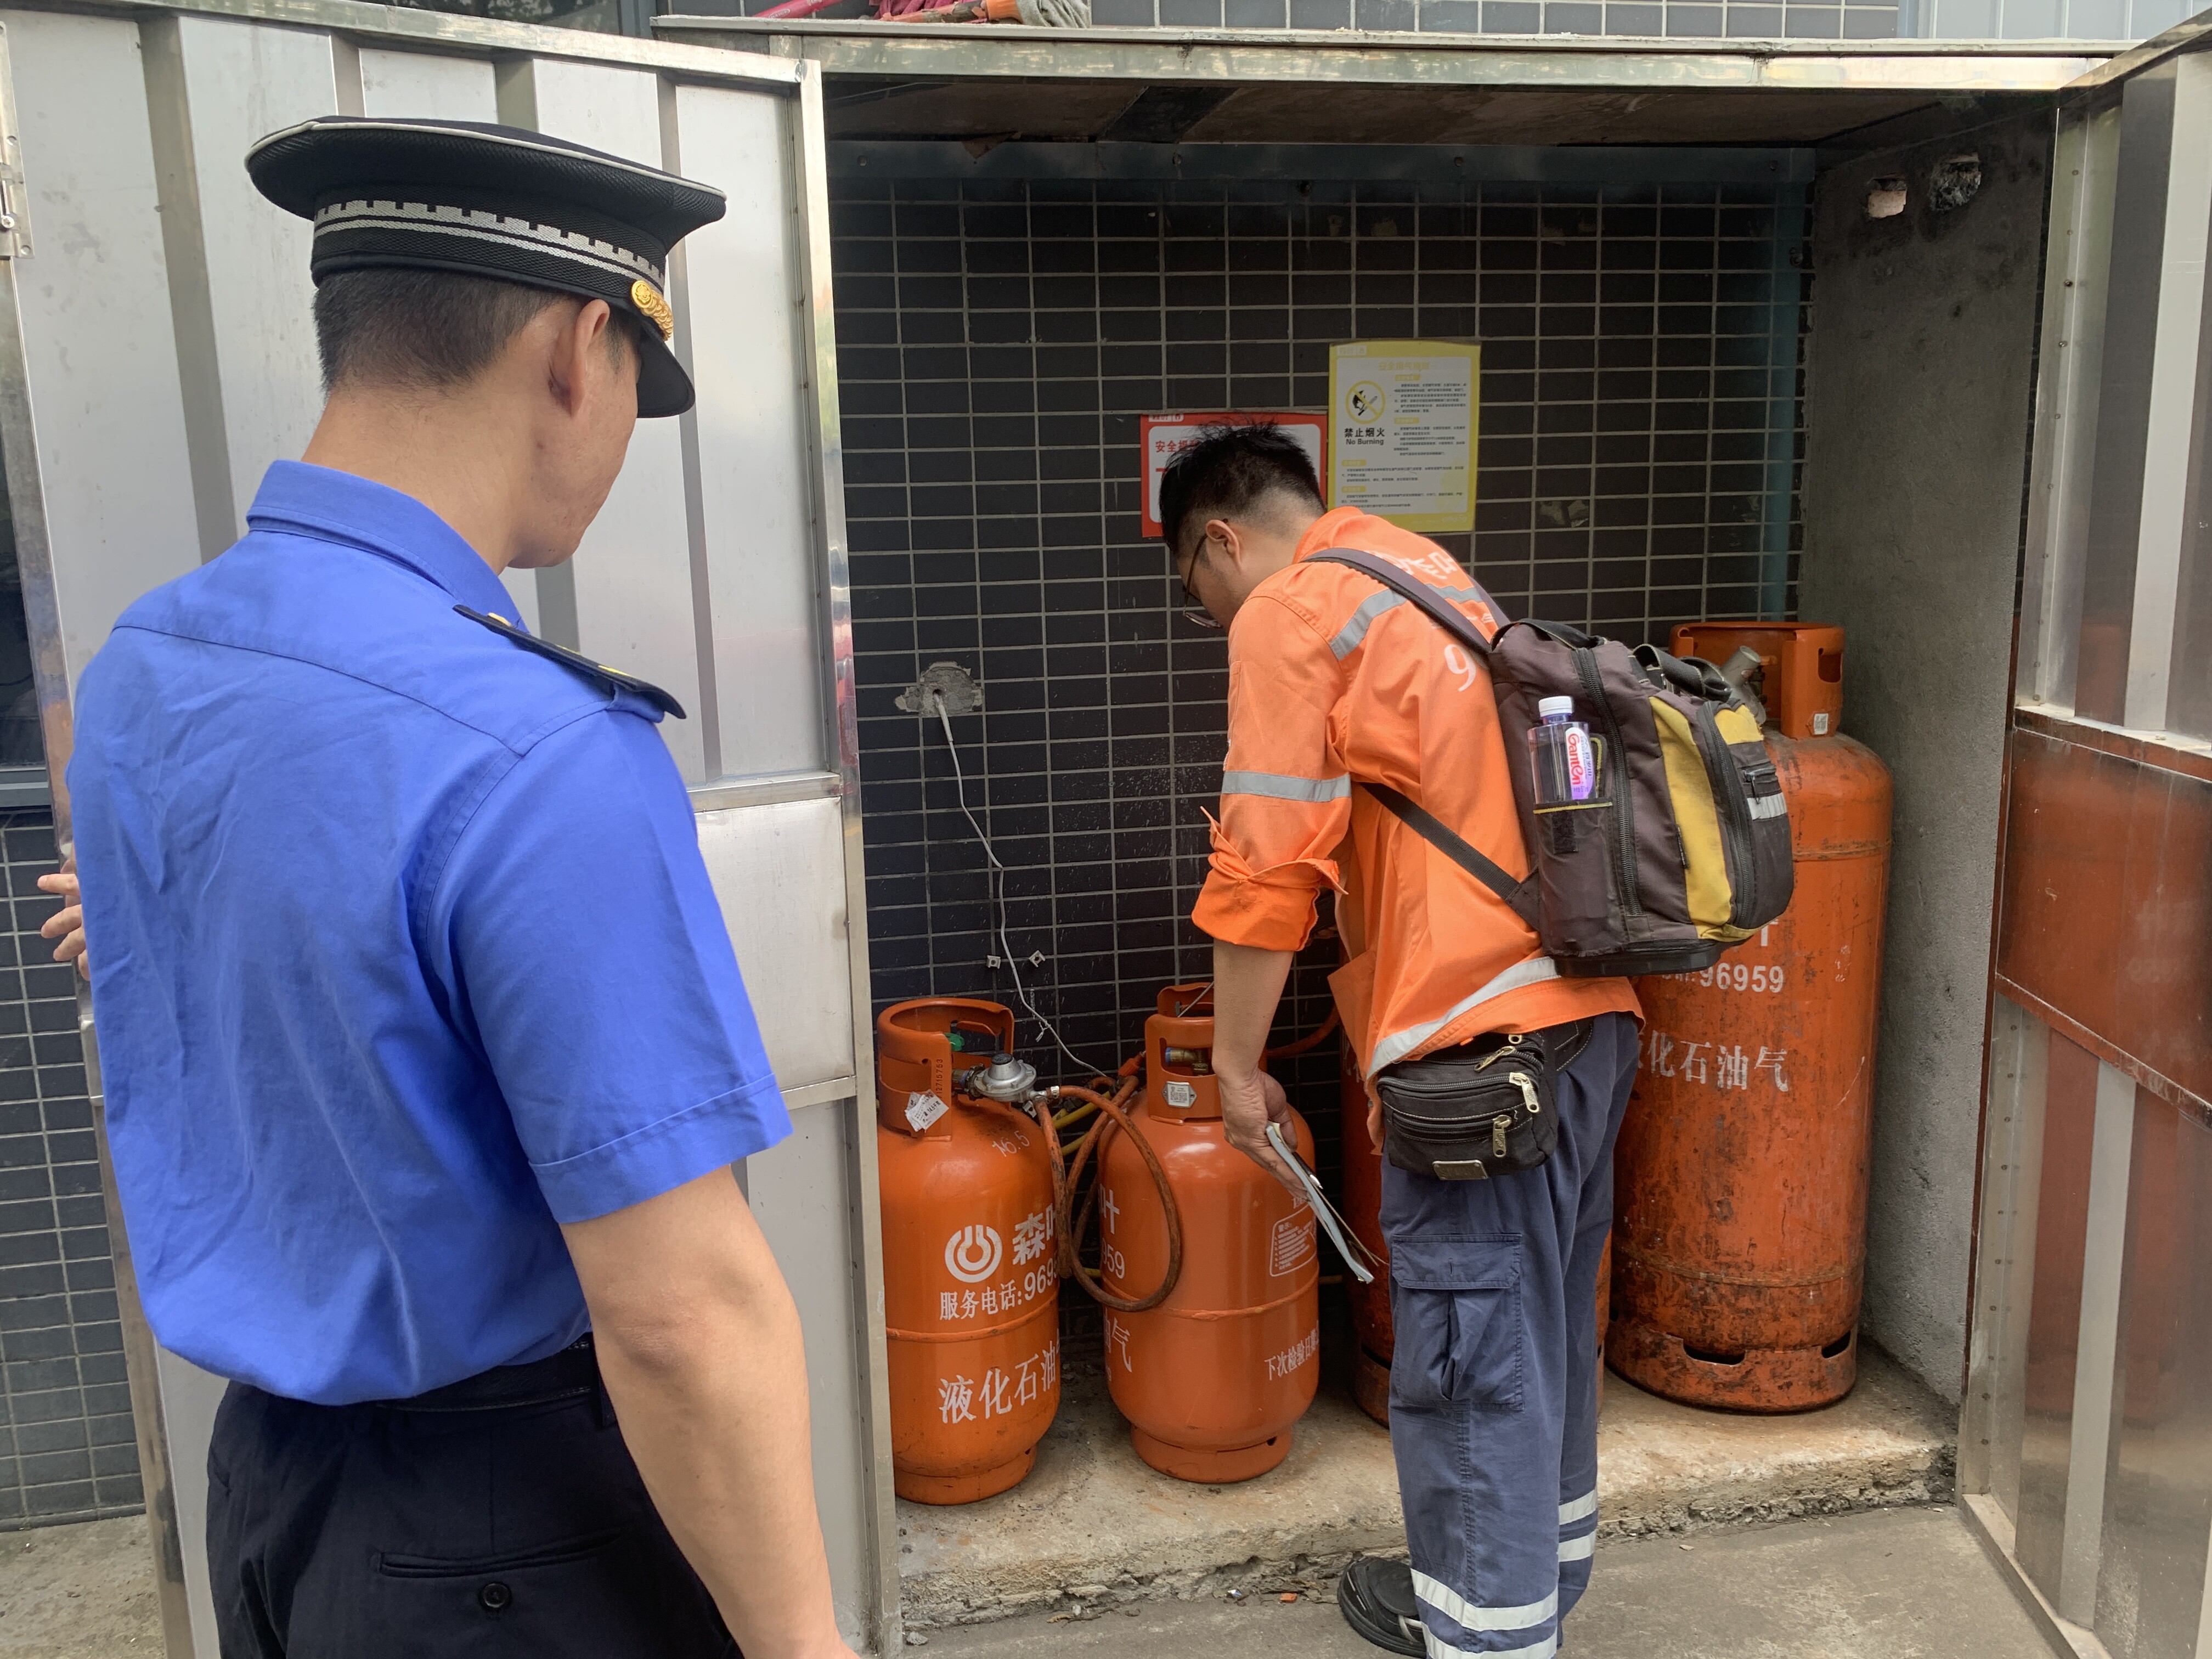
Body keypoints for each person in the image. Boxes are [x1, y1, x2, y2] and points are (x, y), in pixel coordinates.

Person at [40, 117, 856, 1659]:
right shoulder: (538, 751)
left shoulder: (150, 663)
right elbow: (679, 1316)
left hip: (272, 1488)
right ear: (578, 351)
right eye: (638, 392)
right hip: (507, 1542)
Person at [1160, 425, 1641, 1659]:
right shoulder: (1420, 572)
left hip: (1481, 1061)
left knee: (1473, 1368)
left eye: (1200, 595)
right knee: (1539, 1344)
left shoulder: (1290, 612)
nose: (1215, 620)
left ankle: (1488, 1634)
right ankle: (1522, 1590)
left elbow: (1266, 870)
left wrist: (1233, 1069)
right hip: (1587, 1021)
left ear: (1221, 541)